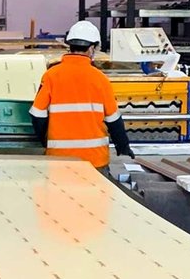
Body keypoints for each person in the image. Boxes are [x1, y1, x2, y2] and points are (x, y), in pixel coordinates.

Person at [30, 20, 134, 170]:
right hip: (94, 160)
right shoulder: (100, 79)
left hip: (59, 159)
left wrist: (45, 141)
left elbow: (37, 115)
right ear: (91, 49)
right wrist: (122, 145)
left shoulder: (51, 76)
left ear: (70, 46)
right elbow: (114, 120)